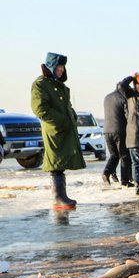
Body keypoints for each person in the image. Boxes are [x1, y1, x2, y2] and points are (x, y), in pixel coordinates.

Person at [30, 53, 86, 210]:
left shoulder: (58, 84)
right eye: (59, 67)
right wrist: (61, 121)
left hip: (65, 129)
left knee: (60, 163)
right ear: (51, 67)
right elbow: (40, 109)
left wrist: (72, 117)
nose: (61, 70)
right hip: (55, 130)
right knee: (55, 163)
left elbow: (66, 105)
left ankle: (62, 196)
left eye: (63, 67)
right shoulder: (40, 84)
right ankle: (58, 197)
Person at [102, 85, 131, 186]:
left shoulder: (107, 97)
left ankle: (106, 173)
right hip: (120, 130)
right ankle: (125, 181)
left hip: (106, 130)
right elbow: (128, 116)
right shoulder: (123, 98)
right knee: (124, 155)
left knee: (114, 155)